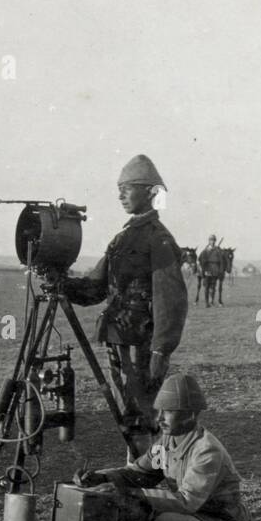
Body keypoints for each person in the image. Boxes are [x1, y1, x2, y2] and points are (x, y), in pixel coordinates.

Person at [66, 155, 188, 457]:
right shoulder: (122, 238)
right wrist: (61, 282)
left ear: (149, 192)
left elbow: (170, 300)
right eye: (119, 188)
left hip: (141, 343)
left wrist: (161, 349)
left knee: (146, 414)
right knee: (128, 412)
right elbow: (95, 288)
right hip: (119, 339)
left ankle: (155, 476)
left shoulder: (158, 240)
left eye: (128, 188)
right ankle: (140, 471)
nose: (120, 195)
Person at [76, 373, 252, 521]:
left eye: (168, 412)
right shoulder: (168, 442)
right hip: (197, 519)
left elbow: (186, 502)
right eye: (159, 411)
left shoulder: (206, 451)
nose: (159, 418)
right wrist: (101, 477)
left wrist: (131, 493)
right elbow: (139, 474)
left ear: (190, 413)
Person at [198, 234, 224, 307]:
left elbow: (221, 261)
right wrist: (204, 263)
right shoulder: (205, 251)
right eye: (211, 240)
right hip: (207, 270)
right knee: (206, 287)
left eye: (213, 240)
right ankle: (207, 303)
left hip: (215, 270)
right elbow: (200, 259)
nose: (212, 242)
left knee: (213, 286)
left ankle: (211, 301)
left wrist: (220, 271)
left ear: (215, 241)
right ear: (209, 241)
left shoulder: (217, 251)